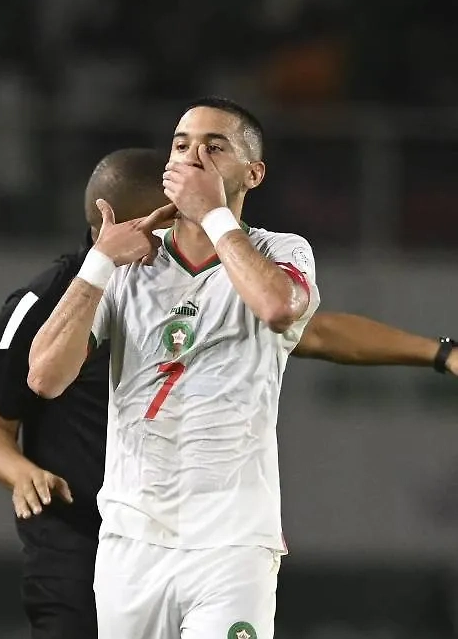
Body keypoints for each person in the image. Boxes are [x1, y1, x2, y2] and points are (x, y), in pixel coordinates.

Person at [0, 146, 457, 639]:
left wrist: (438, 352)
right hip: (81, 538)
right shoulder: (47, 302)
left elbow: (314, 332)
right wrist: (22, 472)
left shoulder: (196, 278)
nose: (183, 228)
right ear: (123, 222)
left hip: (201, 533)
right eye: (170, 217)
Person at [28, 95, 317, 639]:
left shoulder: (280, 250)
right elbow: (44, 376)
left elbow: (279, 307)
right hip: (131, 542)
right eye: (182, 145)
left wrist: (212, 214)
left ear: (253, 174)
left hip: (232, 546)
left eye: (215, 147)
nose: (193, 157)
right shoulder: (130, 260)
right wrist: (99, 261)